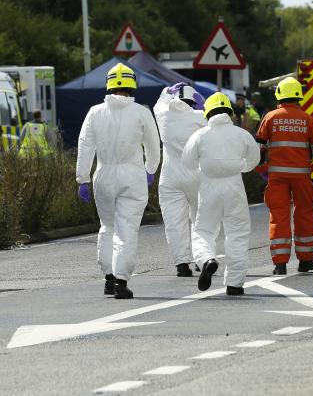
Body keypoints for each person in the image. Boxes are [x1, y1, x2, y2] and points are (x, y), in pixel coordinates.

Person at [76, 63, 160, 299]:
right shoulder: (142, 112)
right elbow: (153, 146)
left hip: (103, 175)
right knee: (127, 229)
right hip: (132, 176)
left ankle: (108, 277)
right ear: (132, 85)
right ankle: (121, 282)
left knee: (107, 227)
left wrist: (82, 178)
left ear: (109, 84)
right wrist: (150, 169)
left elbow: (85, 146)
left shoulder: (95, 112)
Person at [182, 92, 260, 295]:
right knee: (238, 234)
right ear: (230, 113)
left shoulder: (200, 135)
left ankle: (207, 259)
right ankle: (234, 284)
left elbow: (187, 162)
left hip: (209, 189)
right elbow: (254, 159)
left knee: (204, 231)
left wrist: (203, 168)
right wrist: (240, 166)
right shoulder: (241, 135)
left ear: (207, 113)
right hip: (234, 187)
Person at [255, 77, 313, 275]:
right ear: (299, 96)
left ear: (279, 95)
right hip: (302, 178)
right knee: (304, 215)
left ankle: (280, 264)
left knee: (279, 217)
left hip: (277, 178)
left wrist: (262, 171)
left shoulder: (270, 117)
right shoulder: (308, 120)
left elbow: (259, 148)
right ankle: (305, 261)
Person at [153, 82, 206, 278]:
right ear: (193, 102)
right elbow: (218, 122)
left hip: (170, 177)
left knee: (174, 223)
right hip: (197, 175)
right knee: (200, 220)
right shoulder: (199, 117)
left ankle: (182, 264)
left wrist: (166, 92)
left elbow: (158, 104)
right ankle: (203, 258)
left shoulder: (163, 115)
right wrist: (204, 106)